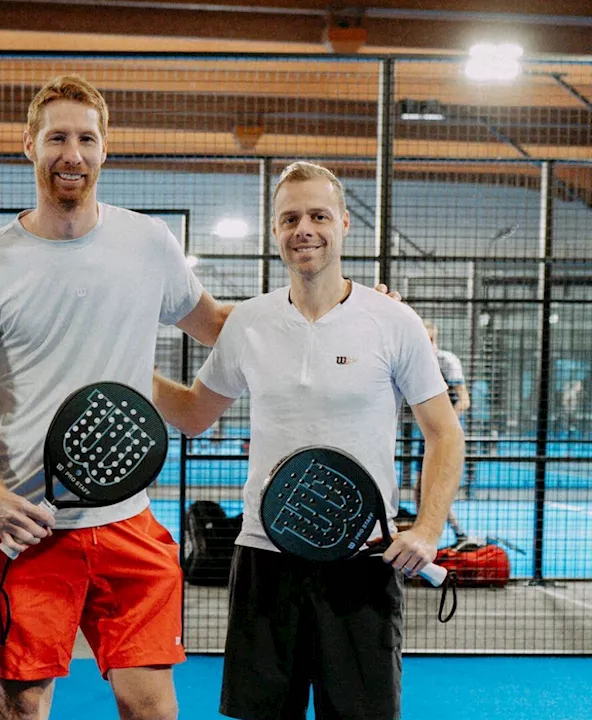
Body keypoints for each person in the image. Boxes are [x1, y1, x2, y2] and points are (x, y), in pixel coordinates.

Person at [0, 75, 231, 720]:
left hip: (128, 520)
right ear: (29, 145)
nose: (71, 153)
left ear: (105, 150)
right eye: (56, 137)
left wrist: (342, 311)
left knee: (152, 707)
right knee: (24, 706)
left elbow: (218, 325)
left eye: (85, 138)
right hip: (28, 525)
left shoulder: (148, 242)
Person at [152, 161, 465, 720]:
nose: (305, 229)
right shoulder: (248, 322)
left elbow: (444, 433)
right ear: (275, 230)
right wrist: (123, 362)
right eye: (290, 218)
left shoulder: (393, 321)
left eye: (319, 215)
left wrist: (429, 529)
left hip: (362, 561)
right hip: (264, 558)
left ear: (344, 223)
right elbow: (195, 415)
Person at [425, 320, 471, 537]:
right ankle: (454, 532)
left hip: (445, 435)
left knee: (433, 486)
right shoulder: (414, 360)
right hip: (424, 434)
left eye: (430, 339)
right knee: (422, 488)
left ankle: (456, 531)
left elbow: (464, 400)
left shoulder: (447, 361)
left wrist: (445, 422)